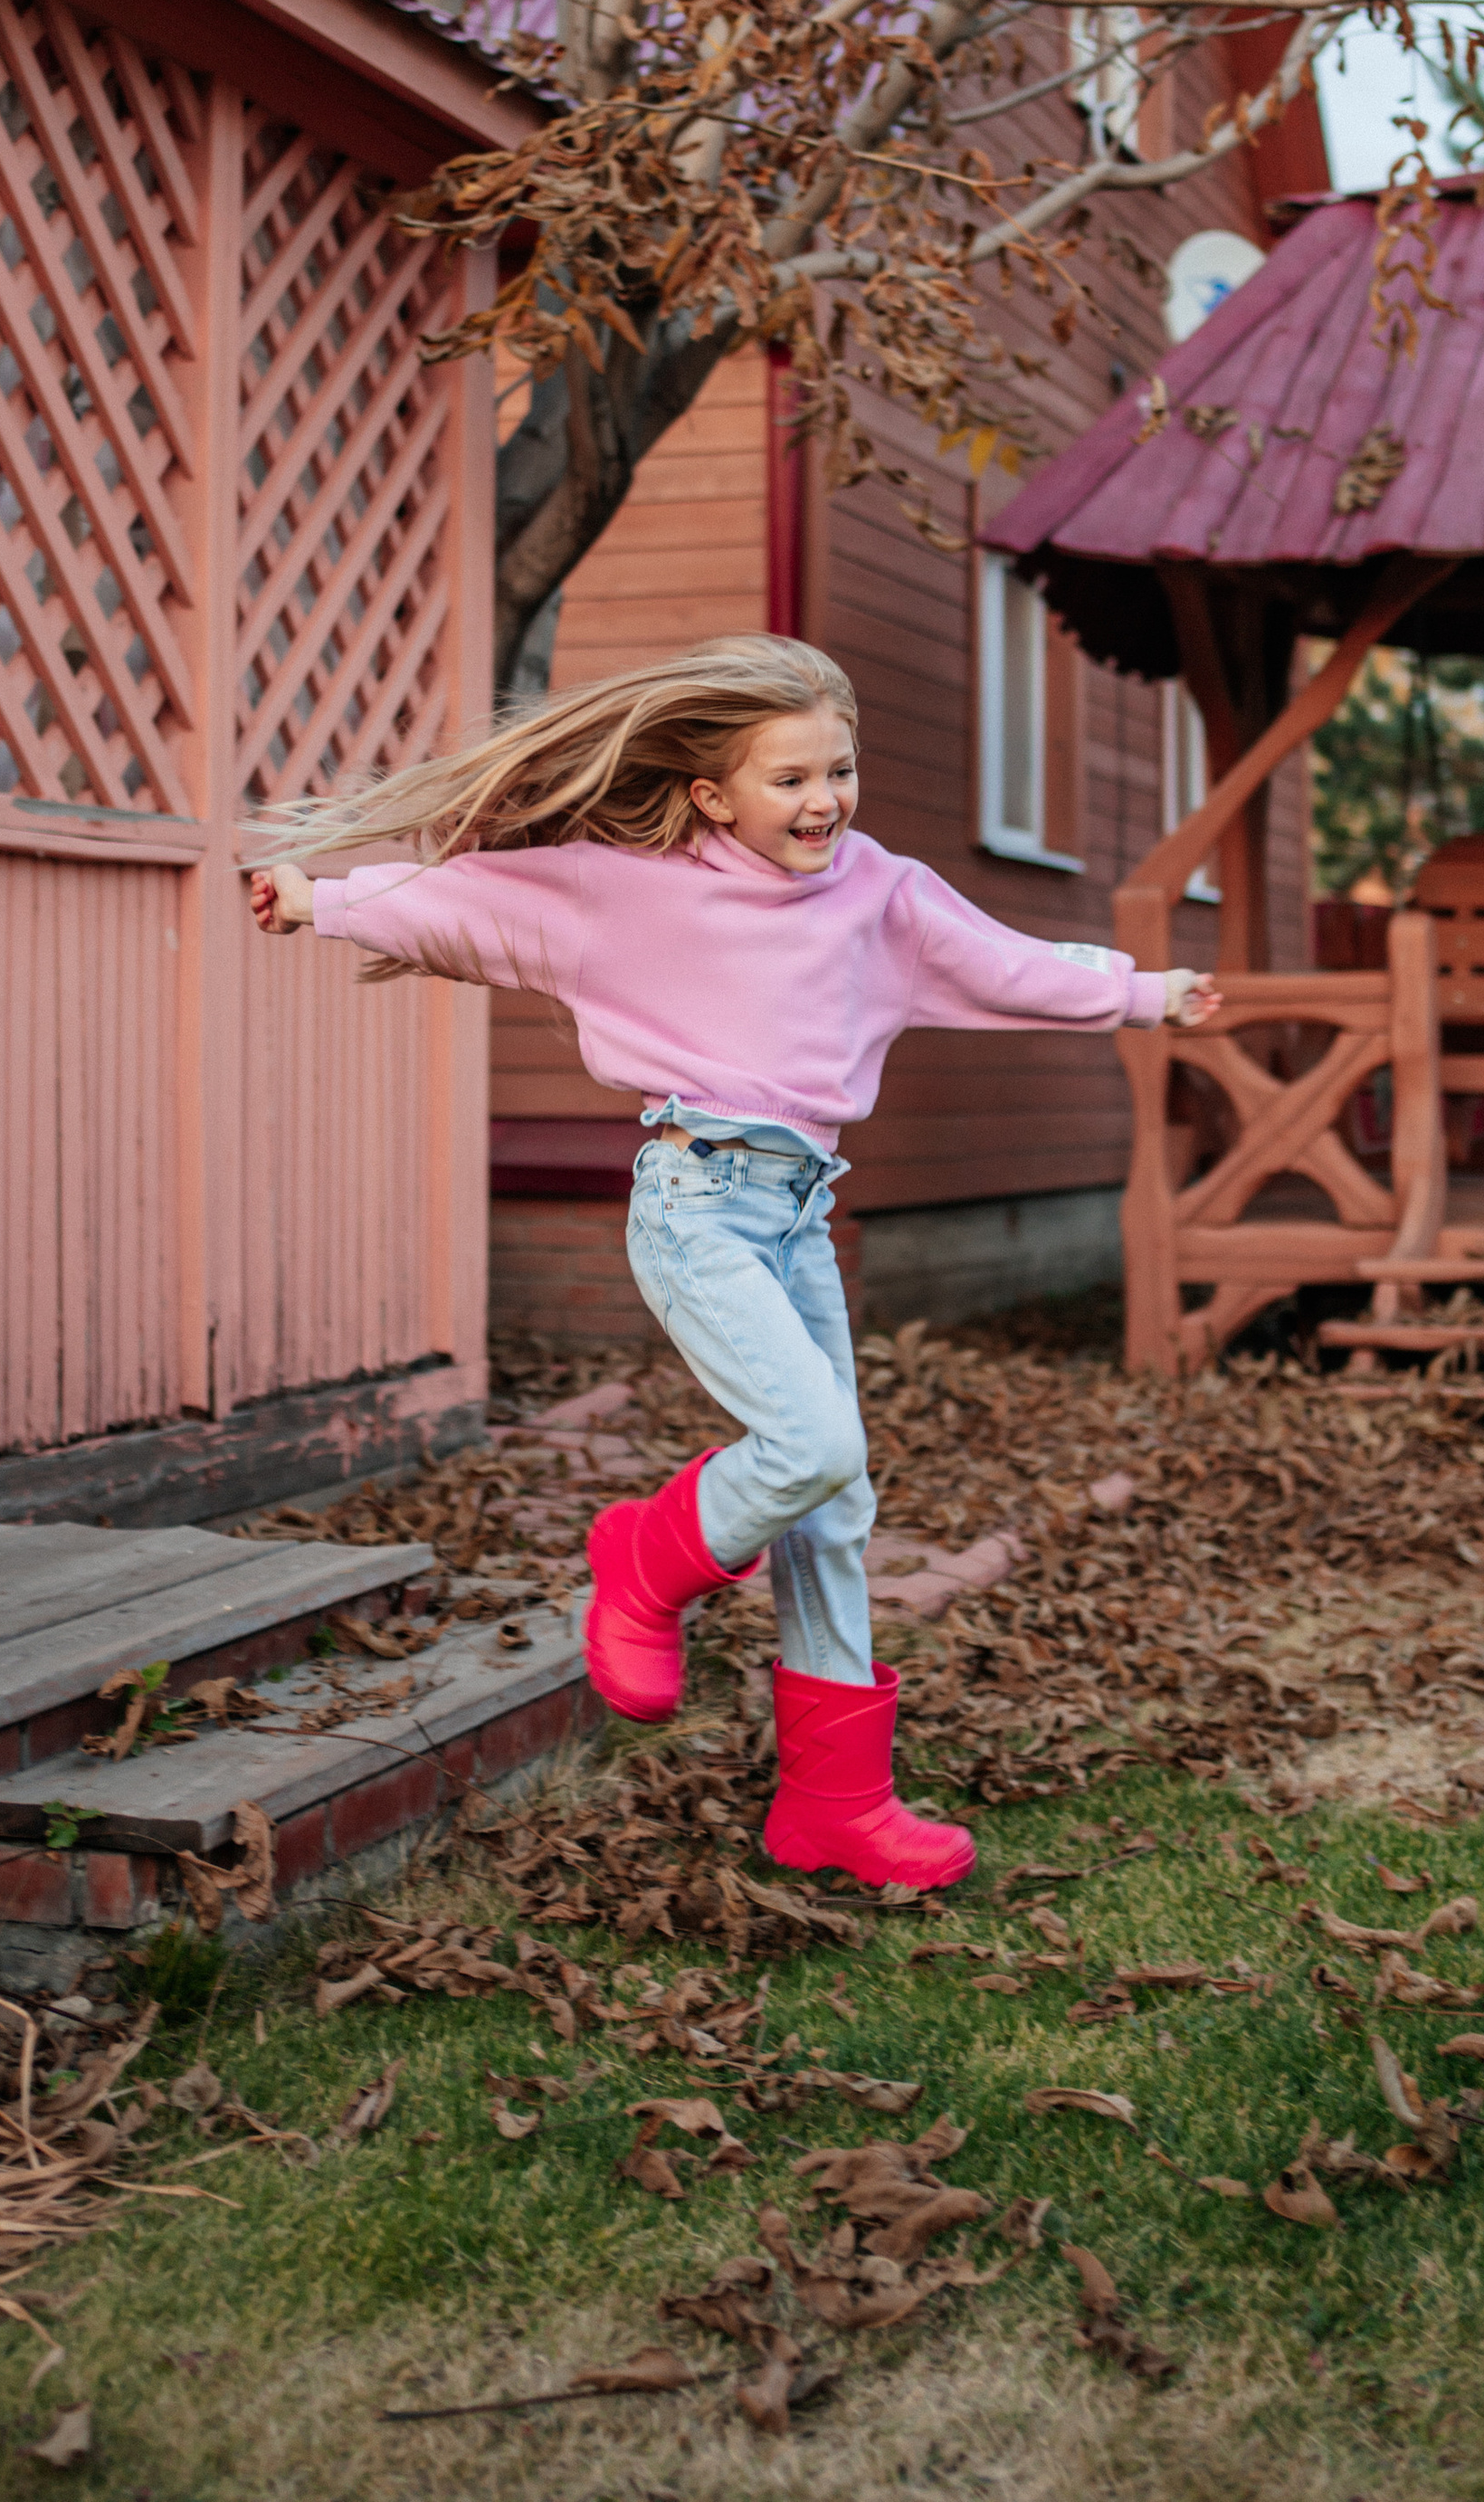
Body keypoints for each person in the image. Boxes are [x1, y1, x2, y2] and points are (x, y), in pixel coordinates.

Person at [249, 633, 1219, 1892]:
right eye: (791, 780)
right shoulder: (634, 888)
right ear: (713, 794)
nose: (825, 803)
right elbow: (481, 902)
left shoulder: (880, 890)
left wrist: (1144, 994)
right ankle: (643, 1563)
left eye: (840, 772)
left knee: (836, 1504)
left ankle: (836, 1807)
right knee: (812, 1447)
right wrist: (323, 900)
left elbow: (1004, 964)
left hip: (799, 1209)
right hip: (696, 1205)